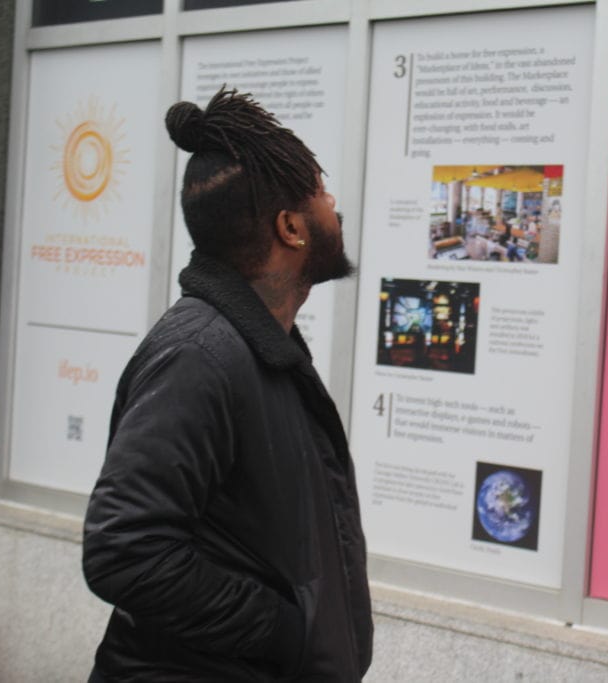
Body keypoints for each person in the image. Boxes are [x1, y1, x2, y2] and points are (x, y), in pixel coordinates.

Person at [82, 87, 373, 682]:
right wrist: (285, 633)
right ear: (291, 228)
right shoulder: (199, 355)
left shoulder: (253, 346)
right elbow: (125, 550)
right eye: (319, 191)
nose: (333, 204)